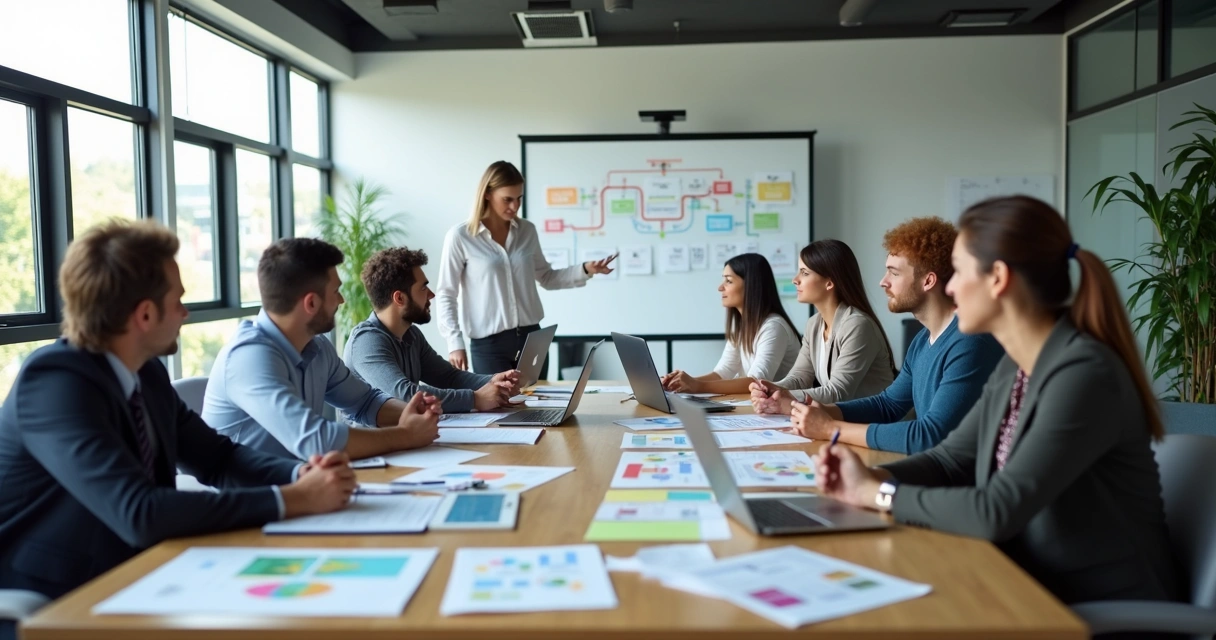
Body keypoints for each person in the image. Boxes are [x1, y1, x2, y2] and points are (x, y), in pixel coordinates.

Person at [813, 196, 1181, 607]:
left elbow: (996, 510)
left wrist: (876, 494)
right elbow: (950, 459)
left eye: (959, 271)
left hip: (1094, 605)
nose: (950, 287)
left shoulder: (1084, 374)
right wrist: (870, 478)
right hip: (1025, 578)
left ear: (998, 279)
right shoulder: (1016, 366)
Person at [0, 221, 355, 639]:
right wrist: (292, 499)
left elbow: (218, 458)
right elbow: (140, 512)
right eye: (179, 301)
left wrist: (301, 473)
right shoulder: (55, 383)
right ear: (145, 315)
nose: (186, 314)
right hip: (57, 599)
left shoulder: (146, 373)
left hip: (143, 573)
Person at [203, 238, 440, 461]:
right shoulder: (249, 358)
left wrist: (413, 412)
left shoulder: (317, 345)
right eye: (336, 291)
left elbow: (364, 402)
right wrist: (406, 435)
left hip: (304, 479)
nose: (342, 300)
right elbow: (316, 439)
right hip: (255, 488)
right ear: (311, 303)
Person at [789, 217, 1004, 454]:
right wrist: (827, 410)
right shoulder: (921, 341)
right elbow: (888, 405)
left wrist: (831, 429)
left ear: (928, 281)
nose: (883, 282)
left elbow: (930, 435)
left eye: (894, 273)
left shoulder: (970, 342)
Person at [435, 160, 616, 376]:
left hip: (532, 340)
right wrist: (454, 342)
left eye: (519, 198)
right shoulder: (461, 237)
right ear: (487, 194)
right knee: (496, 399)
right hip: (488, 346)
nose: (515, 206)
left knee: (539, 398)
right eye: (507, 199)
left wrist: (586, 269)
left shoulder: (527, 231)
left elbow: (546, 277)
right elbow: (446, 293)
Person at [345, 247, 520, 413]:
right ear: (399, 298)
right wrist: (474, 399)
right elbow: (405, 395)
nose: (431, 295)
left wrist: (495, 381)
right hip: (377, 434)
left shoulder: (411, 335)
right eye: (423, 287)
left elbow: (449, 377)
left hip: (411, 431)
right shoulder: (366, 341)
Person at [749, 240, 897, 413]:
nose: (795, 280)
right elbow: (799, 378)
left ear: (829, 283)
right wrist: (770, 388)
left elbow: (838, 392)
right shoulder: (814, 324)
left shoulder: (857, 325)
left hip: (873, 423)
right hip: (843, 420)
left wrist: (784, 396)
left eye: (804, 273)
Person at [661, 253, 800, 395]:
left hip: (784, 407)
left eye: (729, 281)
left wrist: (697, 386)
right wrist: (678, 383)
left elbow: (756, 382)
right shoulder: (743, 327)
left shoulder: (774, 327)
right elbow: (723, 372)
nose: (720, 288)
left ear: (751, 285)